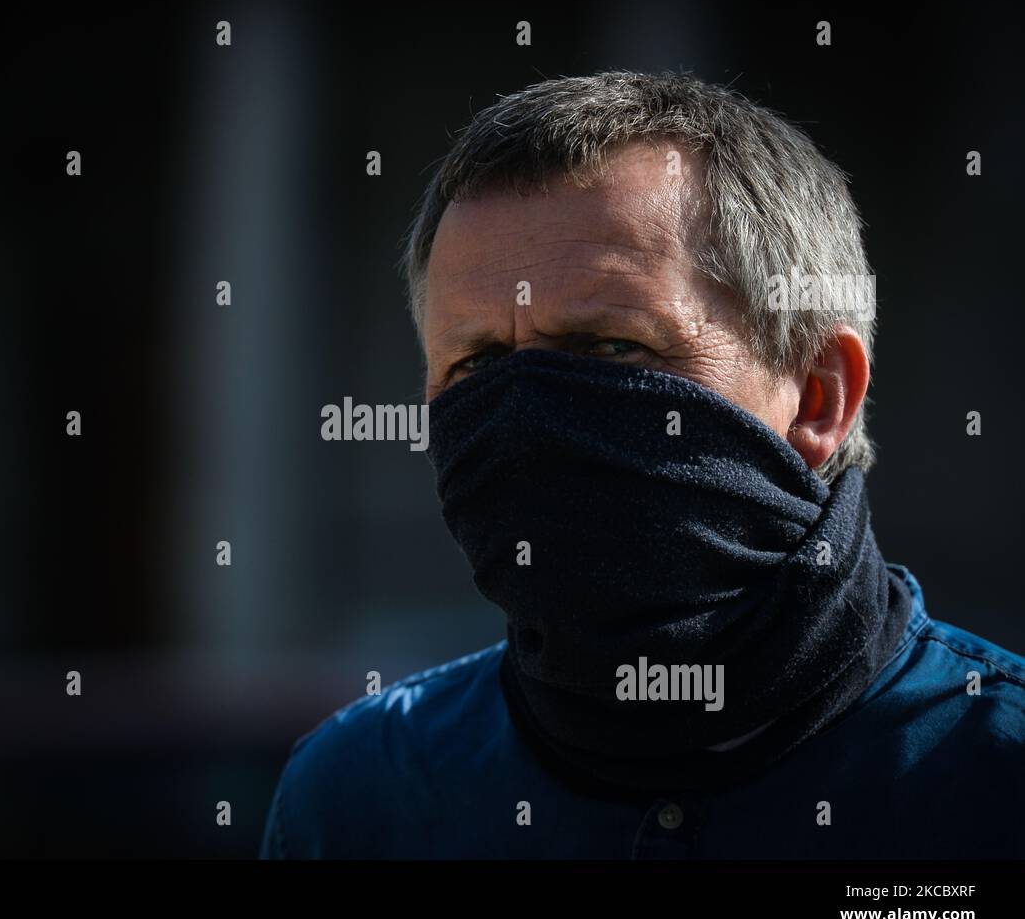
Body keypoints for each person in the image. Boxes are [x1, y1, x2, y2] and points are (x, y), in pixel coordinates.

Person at [260, 72, 1025, 858]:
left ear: (819, 397)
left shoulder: (998, 777)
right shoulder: (360, 800)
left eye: (613, 347)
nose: (528, 420)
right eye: (478, 364)